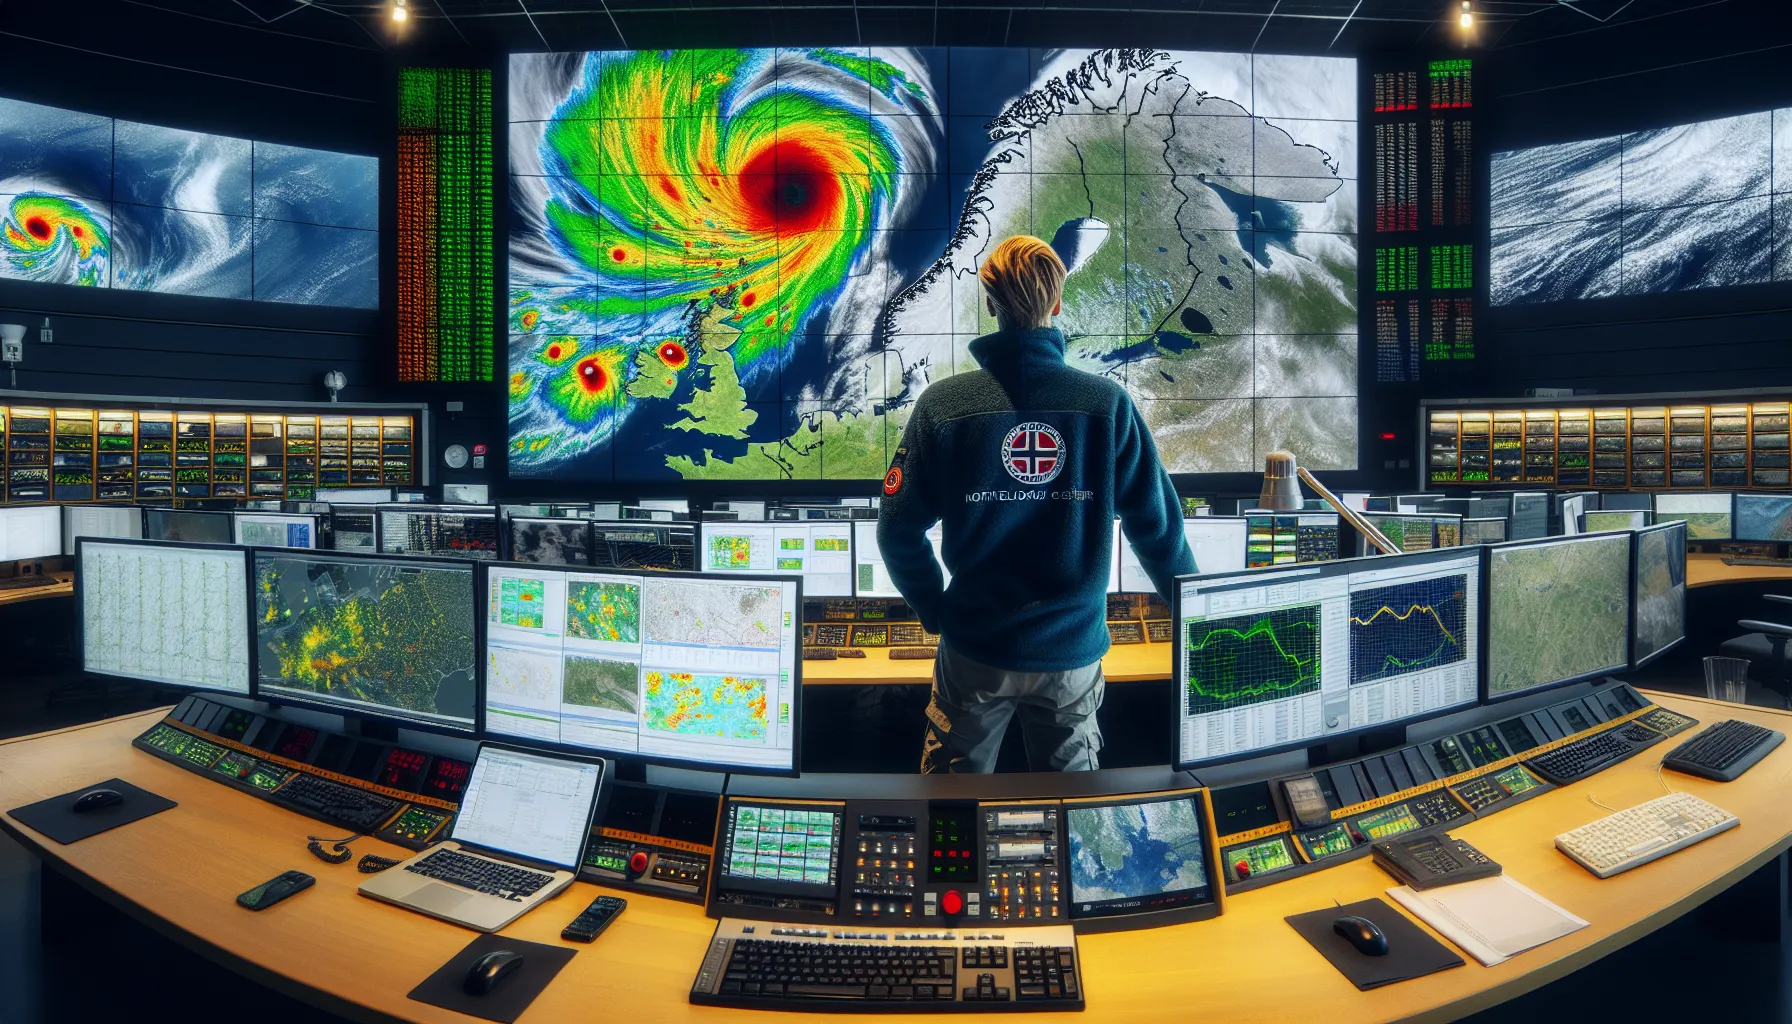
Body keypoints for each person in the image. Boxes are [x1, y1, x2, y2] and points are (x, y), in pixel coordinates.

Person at [877, 235, 1196, 774]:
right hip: (1071, 651)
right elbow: (1158, 529)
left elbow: (897, 532)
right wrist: (1197, 618)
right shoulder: (1106, 406)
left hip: (975, 648)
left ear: (990, 304)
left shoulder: (944, 406)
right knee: (1070, 811)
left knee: (953, 803)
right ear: (1057, 303)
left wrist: (937, 611)